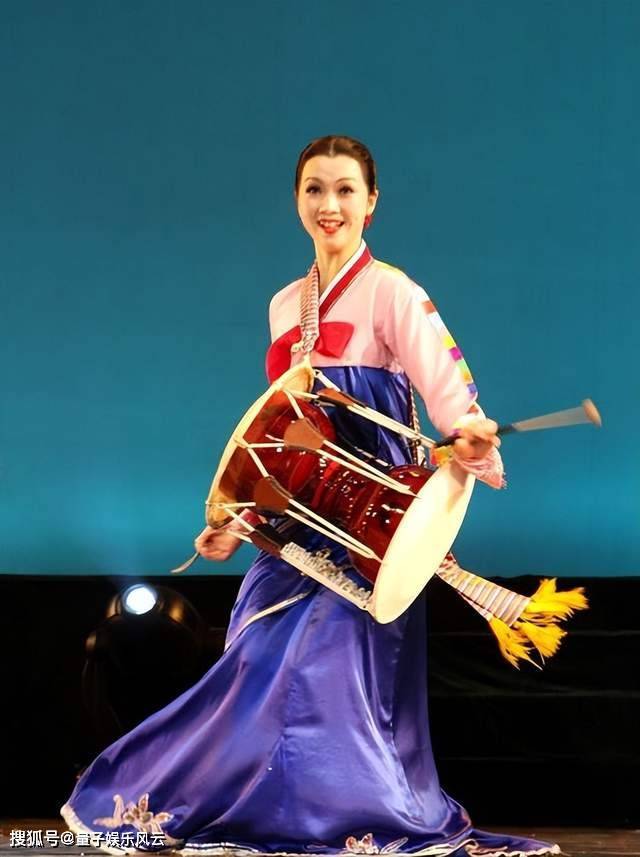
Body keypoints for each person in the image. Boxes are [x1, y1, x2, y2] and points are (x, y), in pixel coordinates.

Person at [61, 136, 560, 856]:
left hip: (369, 522)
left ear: (372, 202)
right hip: (297, 524)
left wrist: (471, 434)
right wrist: (239, 518)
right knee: (255, 656)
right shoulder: (283, 306)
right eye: (315, 189)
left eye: (346, 190)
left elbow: (450, 391)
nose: (330, 205)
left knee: (329, 671)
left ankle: (346, 818)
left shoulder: (394, 291)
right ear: (297, 200)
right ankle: (261, 812)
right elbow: (279, 432)